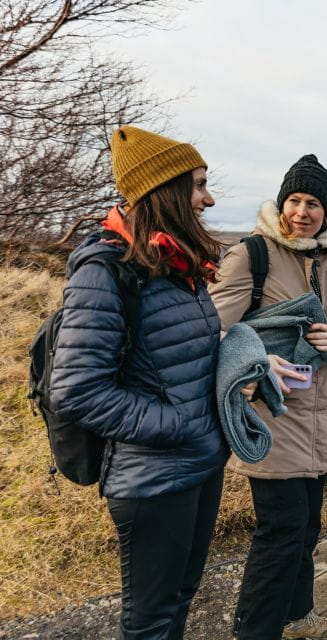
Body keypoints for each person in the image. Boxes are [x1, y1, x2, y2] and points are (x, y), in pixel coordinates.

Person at [49, 125, 227, 639]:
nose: (208, 198)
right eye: (197, 185)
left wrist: (243, 372)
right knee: (150, 619)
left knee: (183, 596)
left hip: (200, 462)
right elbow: (77, 388)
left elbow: (180, 361)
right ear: (164, 192)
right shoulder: (105, 270)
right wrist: (178, 424)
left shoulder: (176, 265)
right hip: (154, 479)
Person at [208, 154, 327, 640]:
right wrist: (255, 358)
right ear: (282, 203)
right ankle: (255, 631)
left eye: (314, 202)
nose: (303, 211)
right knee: (279, 534)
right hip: (273, 416)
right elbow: (211, 331)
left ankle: (298, 620)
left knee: (306, 531)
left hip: (322, 419)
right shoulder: (251, 255)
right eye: (295, 200)